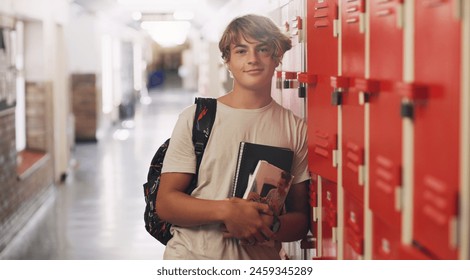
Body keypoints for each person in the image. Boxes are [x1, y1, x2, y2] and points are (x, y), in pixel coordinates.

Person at [156, 14, 310, 260]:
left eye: (262, 49)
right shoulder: (197, 118)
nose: (252, 59)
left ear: (277, 57)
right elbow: (166, 203)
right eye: (241, 51)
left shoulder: (296, 129)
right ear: (227, 61)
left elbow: (301, 220)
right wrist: (226, 211)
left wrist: (272, 225)